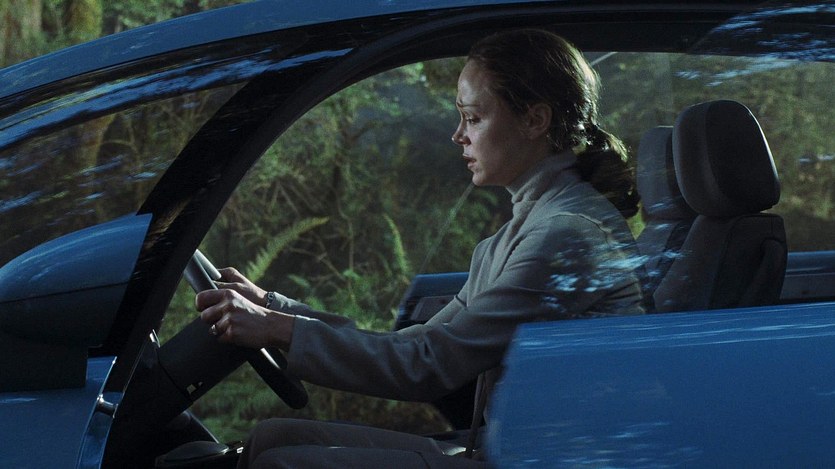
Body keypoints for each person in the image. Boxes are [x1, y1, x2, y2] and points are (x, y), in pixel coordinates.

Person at [197, 29, 644, 468]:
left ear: (534, 120)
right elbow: (411, 345)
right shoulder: (523, 232)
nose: (458, 135)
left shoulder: (567, 235)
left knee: (284, 462)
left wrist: (277, 329)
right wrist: (273, 308)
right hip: (508, 450)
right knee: (273, 436)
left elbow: (427, 366)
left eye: (473, 118)